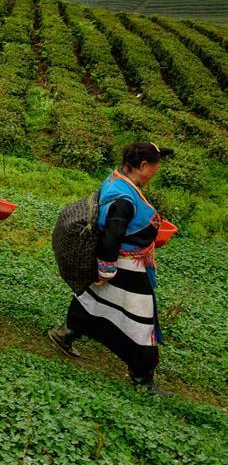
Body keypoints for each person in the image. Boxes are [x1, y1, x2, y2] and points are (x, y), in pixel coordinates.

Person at [49, 142, 174, 394]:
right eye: (155, 167)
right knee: (141, 321)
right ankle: (143, 378)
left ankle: (65, 333)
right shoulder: (125, 200)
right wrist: (105, 271)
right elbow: (111, 237)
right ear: (142, 166)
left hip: (118, 264)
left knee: (92, 299)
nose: (156, 172)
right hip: (126, 268)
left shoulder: (117, 179)